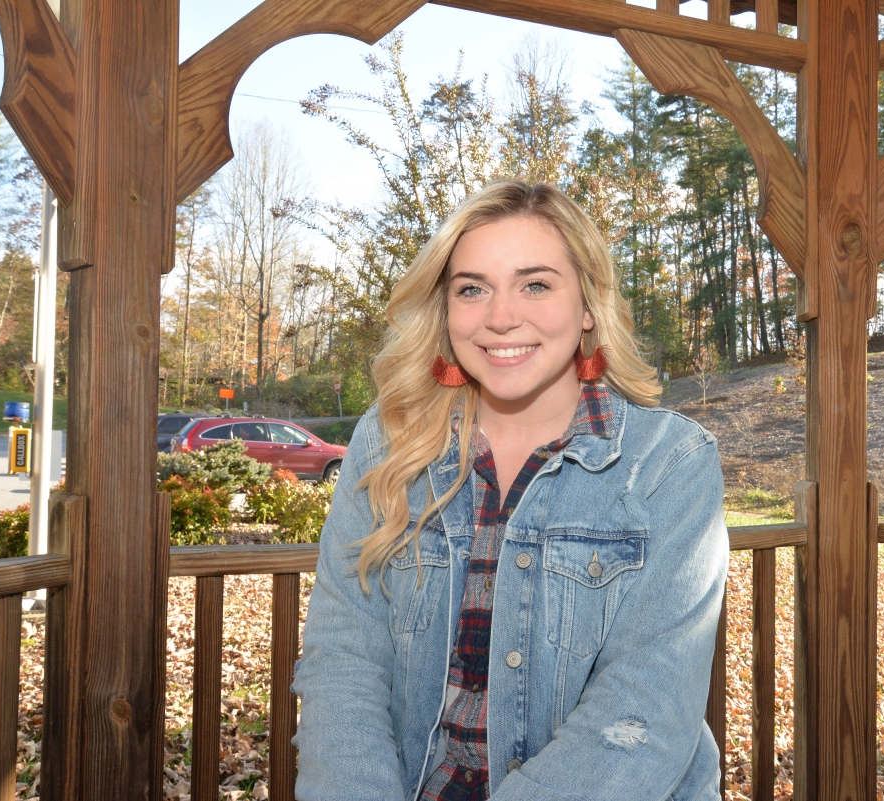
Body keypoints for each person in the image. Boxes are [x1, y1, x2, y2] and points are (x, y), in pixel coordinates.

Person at [293, 180, 728, 801]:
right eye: (472, 288)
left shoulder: (668, 464)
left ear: (587, 305)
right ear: (445, 310)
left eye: (536, 284)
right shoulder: (387, 444)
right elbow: (344, 665)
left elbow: (645, 708)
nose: (500, 316)